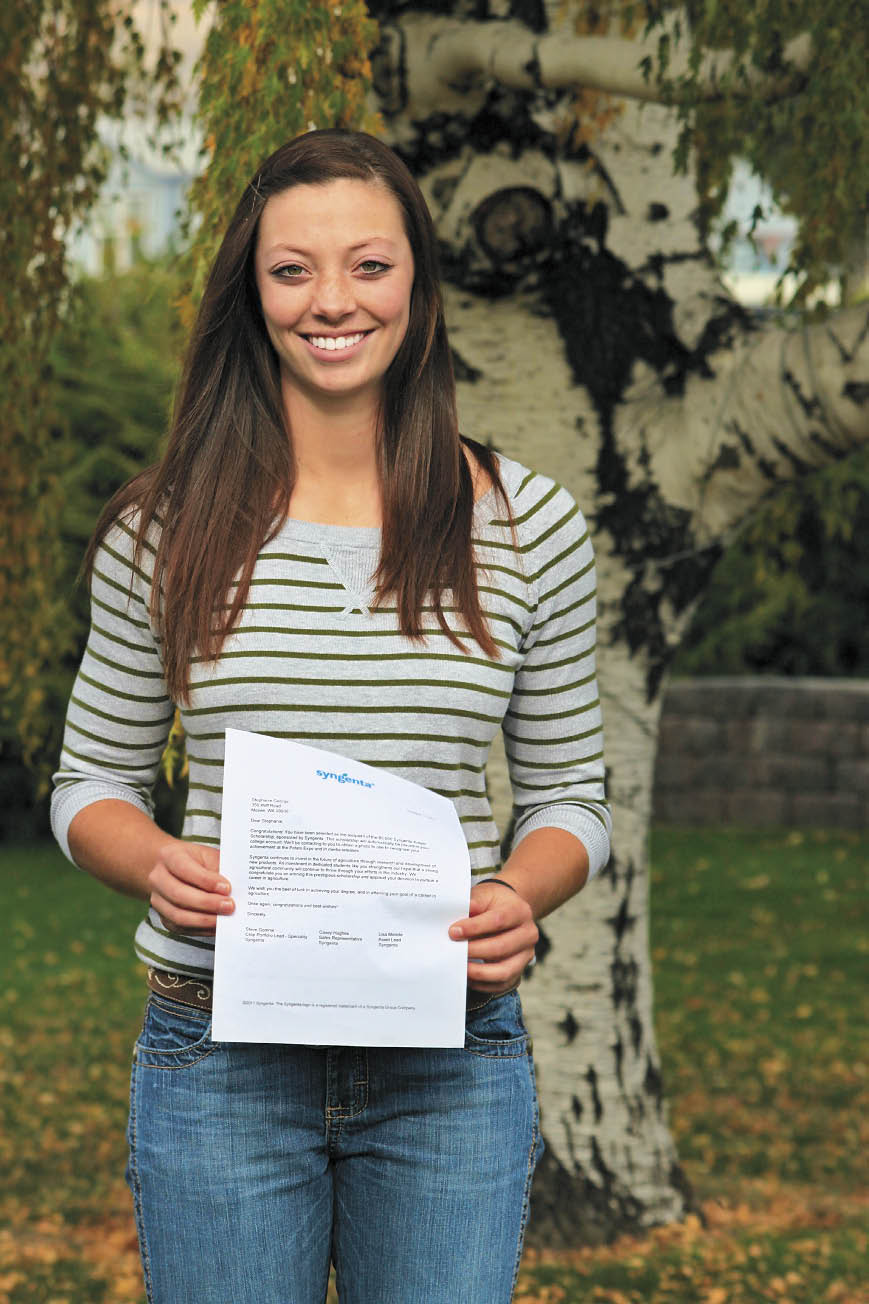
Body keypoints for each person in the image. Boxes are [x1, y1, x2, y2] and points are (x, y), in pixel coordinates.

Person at [51, 128, 611, 1304]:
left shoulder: (527, 524)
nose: (331, 302)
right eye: (291, 269)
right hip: (219, 1058)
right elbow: (86, 786)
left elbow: (570, 800)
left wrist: (521, 891)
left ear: (416, 282)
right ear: (250, 295)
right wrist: (154, 857)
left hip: (450, 1058)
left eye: (368, 264)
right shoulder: (163, 529)